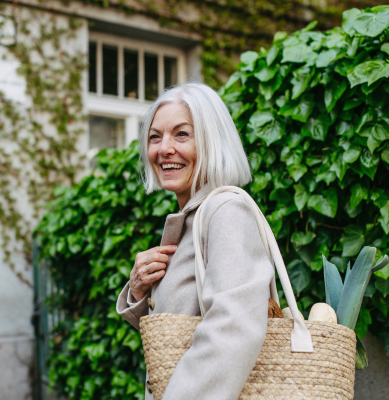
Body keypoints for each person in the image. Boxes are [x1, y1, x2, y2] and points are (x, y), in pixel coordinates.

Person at [116, 83, 275, 399]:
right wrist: (138, 290)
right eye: (155, 136)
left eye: (182, 134)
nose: (164, 148)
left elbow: (231, 331)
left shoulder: (226, 211)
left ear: (211, 141)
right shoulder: (194, 219)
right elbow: (177, 334)